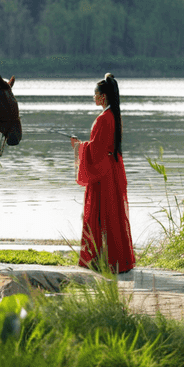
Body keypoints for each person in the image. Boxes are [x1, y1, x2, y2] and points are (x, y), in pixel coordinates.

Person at [70, 73, 136, 274]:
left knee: (100, 215)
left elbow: (96, 150)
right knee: (112, 214)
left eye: (95, 94)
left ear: (103, 97)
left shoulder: (103, 118)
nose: (94, 97)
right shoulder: (113, 115)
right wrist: (84, 146)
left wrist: (79, 147)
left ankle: (100, 260)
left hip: (102, 173)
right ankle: (115, 259)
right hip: (112, 169)